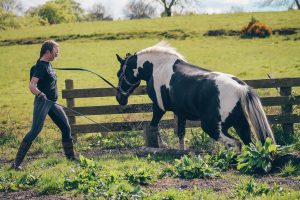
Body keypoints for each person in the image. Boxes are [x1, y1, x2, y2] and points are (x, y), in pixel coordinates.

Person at [12, 40, 76, 170]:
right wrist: (39, 93)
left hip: (53, 103)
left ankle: (71, 159)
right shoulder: (41, 66)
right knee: (35, 130)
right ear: (47, 51)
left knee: (66, 127)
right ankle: (16, 164)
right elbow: (32, 85)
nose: (57, 55)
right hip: (43, 101)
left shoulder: (48, 65)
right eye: (55, 52)